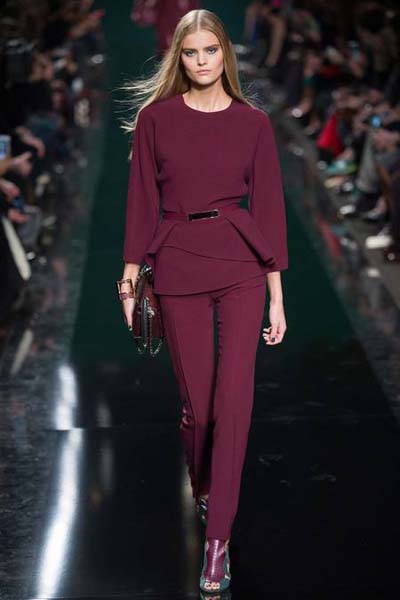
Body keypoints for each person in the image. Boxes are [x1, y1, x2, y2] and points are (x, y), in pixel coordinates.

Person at [118, 8, 288, 594]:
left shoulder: (253, 124)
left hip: (241, 264)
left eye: (210, 51)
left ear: (225, 54)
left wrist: (277, 297)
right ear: (179, 58)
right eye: (190, 53)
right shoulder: (155, 120)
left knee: (235, 402)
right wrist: (129, 279)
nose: (201, 62)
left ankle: (218, 542)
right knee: (199, 409)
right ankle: (205, 485)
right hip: (178, 262)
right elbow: (141, 201)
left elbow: (270, 210)